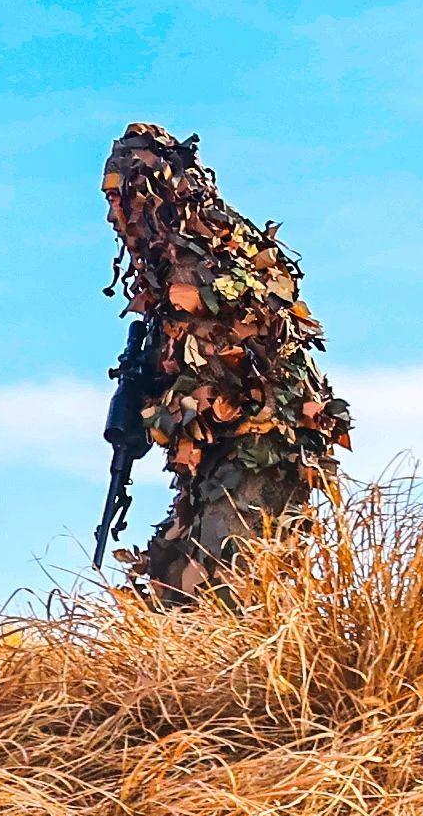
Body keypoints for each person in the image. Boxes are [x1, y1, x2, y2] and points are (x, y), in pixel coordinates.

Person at [99, 124, 354, 601]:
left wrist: (163, 400)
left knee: (230, 583)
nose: (118, 214)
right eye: (113, 199)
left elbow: (238, 359)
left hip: (262, 445)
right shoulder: (172, 270)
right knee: (172, 577)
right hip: (220, 456)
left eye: (128, 196)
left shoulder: (211, 259)